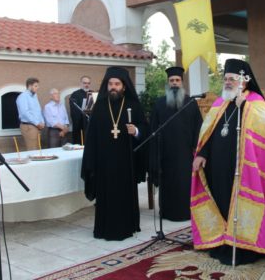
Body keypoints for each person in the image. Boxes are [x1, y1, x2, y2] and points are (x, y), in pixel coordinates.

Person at [191, 59, 265, 265]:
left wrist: (245, 106)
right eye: (225, 79)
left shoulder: (255, 102)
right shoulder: (220, 103)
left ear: (244, 81)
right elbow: (209, 132)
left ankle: (244, 246)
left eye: (232, 79)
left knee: (241, 204)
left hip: (245, 168)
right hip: (217, 165)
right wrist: (202, 153)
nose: (227, 82)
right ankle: (223, 240)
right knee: (222, 201)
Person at [81, 67, 149, 241]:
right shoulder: (99, 106)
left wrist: (136, 131)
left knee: (124, 194)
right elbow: (92, 136)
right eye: (110, 84)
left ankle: (127, 226)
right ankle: (104, 228)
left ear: (124, 86)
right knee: (107, 195)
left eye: (117, 84)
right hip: (104, 162)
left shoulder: (133, 105)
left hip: (126, 160)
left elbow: (145, 129)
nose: (113, 87)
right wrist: (92, 161)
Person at [150, 66, 202, 221]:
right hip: (165, 153)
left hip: (185, 153)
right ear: (168, 83)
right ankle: (166, 212)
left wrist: (196, 149)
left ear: (182, 82)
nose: (174, 83)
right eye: (171, 80)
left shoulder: (191, 102)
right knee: (168, 183)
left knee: (184, 183)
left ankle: (186, 212)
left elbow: (198, 127)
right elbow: (153, 129)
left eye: (177, 80)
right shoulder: (159, 103)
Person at [16, 77, 45, 149]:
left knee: (38, 149)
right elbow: (25, 113)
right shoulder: (23, 97)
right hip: (29, 126)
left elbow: (38, 110)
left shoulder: (35, 96)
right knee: (32, 149)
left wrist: (42, 122)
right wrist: (37, 123)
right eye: (36, 86)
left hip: (36, 126)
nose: (38, 88)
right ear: (29, 86)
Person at [69, 75, 92, 145]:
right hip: (80, 123)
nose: (87, 85)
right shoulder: (75, 94)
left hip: (91, 122)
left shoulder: (93, 93)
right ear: (81, 83)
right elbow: (73, 110)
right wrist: (82, 115)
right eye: (85, 83)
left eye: (88, 83)